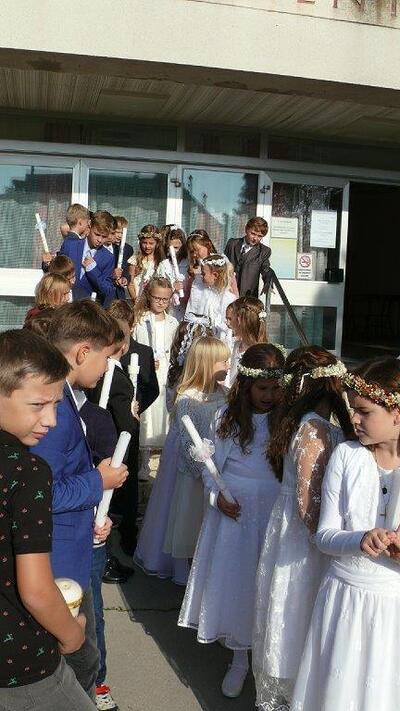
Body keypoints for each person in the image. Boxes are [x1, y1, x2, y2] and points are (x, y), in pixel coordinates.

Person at [30, 301, 128, 700]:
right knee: (78, 661)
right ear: (83, 352)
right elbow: (42, 492)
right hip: (60, 561)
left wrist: (92, 513)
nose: (107, 368)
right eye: (106, 358)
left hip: (72, 543)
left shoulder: (67, 397)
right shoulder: (56, 411)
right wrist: (98, 480)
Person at [291, 357, 400, 711]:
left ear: (397, 415)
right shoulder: (346, 456)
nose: (353, 419)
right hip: (345, 598)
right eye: (352, 409)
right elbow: (324, 535)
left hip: (392, 604)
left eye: (364, 412)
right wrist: (360, 539)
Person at [178, 344, 284, 698]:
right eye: (262, 388)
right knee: (239, 583)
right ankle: (239, 658)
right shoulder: (227, 418)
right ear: (246, 386)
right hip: (236, 512)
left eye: (275, 388)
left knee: (268, 584)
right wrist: (216, 497)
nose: (269, 396)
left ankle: (269, 659)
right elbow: (212, 470)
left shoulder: (286, 419)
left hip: (272, 511)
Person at [0, 329, 96, 710]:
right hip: (22, 663)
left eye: (56, 404)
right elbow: (37, 591)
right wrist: (72, 635)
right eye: (39, 405)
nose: (52, 420)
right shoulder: (28, 473)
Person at [252, 346, 352, 711]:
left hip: (290, 529)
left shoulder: (304, 421)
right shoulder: (315, 430)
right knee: (298, 612)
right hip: (303, 539)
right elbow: (307, 503)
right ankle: (295, 693)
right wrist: (333, 541)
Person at [136, 336, 229, 582]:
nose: (229, 366)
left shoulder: (226, 394)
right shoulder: (188, 400)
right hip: (195, 474)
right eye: (223, 362)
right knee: (190, 523)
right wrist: (207, 474)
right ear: (207, 364)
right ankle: (188, 572)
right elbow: (189, 444)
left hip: (219, 467)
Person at [133, 277, 178, 480]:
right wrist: (146, 361)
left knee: (163, 415)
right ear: (149, 296)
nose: (161, 302)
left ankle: (162, 462)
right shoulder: (140, 320)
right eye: (157, 298)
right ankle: (143, 462)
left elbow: (174, 350)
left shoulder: (173, 322)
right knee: (147, 416)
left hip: (165, 374)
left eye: (165, 299)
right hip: (146, 374)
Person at [59, 210, 115, 304]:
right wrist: (47, 264)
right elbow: (56, 273)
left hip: (88, 309)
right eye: (97, 234)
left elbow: (108, 291)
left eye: (104, 236)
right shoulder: (70, 246)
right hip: (65, 305)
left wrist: (93, 270)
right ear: (89, 227)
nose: (100, 240)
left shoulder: (108, 257)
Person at [185, 254, 236, 338]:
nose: (201, 276)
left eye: (203, 274)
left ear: (215, 275)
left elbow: (226, 323)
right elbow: (191, 310)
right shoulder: (198, 289)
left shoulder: (227, 298)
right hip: (197, 334)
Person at [224, 216, 272, 298]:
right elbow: (223, 264)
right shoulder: (232, 244)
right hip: (228, 291)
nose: (255, 238)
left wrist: (267, 282)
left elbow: (265, 268)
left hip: (247, 295)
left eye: (259, 236)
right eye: (253, 233)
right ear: (246, 229)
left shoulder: (264, 251)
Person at [228, 296, 268, 385]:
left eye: (231, 318)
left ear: (238, 320)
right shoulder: (234, 345)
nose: (228, 323)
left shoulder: (259, 354)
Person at [42, 203, 90, 269]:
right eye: (87, 222)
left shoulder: (68, 240)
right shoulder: (75, 242)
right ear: (80, 222)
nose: (88, 225)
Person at [158, 225, 190, 319]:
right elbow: (159, 286)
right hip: (169, 310)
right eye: (170, 248)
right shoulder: (164, 265)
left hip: (185, 310)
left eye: (176, 248)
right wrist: (172, 287)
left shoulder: (189, 264)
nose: (174, 252)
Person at [127, 224, 165, 300]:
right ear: (140, 242)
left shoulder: (161, 261)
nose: (147, 246)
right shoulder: (134, 260)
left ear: (157, 243)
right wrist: (135, 298)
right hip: (138, 297)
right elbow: (130, 284)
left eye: (151, 243)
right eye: (144, 243)